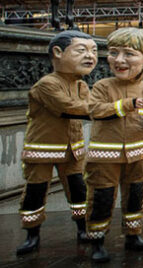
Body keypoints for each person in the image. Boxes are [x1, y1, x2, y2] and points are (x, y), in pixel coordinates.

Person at [16, 30, 96, 255]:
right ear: (58, 52)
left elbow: (87, 108)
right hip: (43, 150)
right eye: (81, 51)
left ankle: (82, 229)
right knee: (35, 191)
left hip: (73, 150)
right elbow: (71, 108)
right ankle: (32, 234)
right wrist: (115, 108)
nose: (90, 56)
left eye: (93, 51)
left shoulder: (81, 85)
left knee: (79, 190)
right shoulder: (46, 85)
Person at [84, 27, 143, 263]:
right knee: (102, 198)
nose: (119, 60)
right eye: (114, 53)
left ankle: (133, 234)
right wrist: (128, 104)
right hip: (104, 157)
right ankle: (97, 240)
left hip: (138, 155)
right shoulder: (103, 87)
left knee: (135, 196)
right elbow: (96, 111)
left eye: (128, 54)